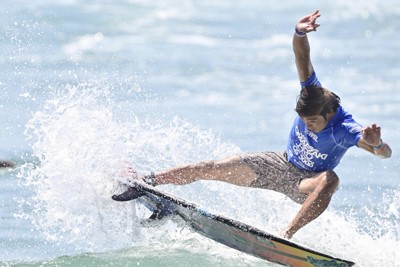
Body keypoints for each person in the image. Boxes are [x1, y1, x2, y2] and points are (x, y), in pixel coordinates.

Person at [112, 10, 392, 239]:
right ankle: (145, 182)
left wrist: (377, 143)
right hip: (277, 165)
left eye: (312, 122)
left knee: (330, 180)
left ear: (329, 115)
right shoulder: (313, 93)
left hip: (304, 183)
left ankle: (286, 236)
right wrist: (298, 33)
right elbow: (302, 58)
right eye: (304, 121)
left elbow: (384, 153)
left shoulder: (346, 128)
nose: (308, 127)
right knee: (210, 168)